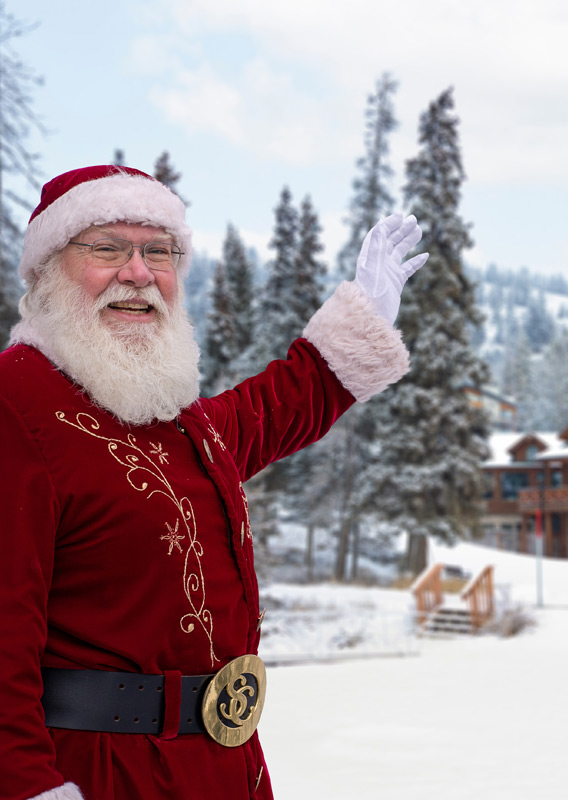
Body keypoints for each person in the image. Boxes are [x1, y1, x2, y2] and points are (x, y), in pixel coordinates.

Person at [0, 164, 428, 800]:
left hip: (222, 774)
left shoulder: (164, 414)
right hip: (98, 776)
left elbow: (267, 412)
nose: (139, 272)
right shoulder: (17, 403)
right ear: (47, 270)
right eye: (108, 248)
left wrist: (359, 324)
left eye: (159, 252)